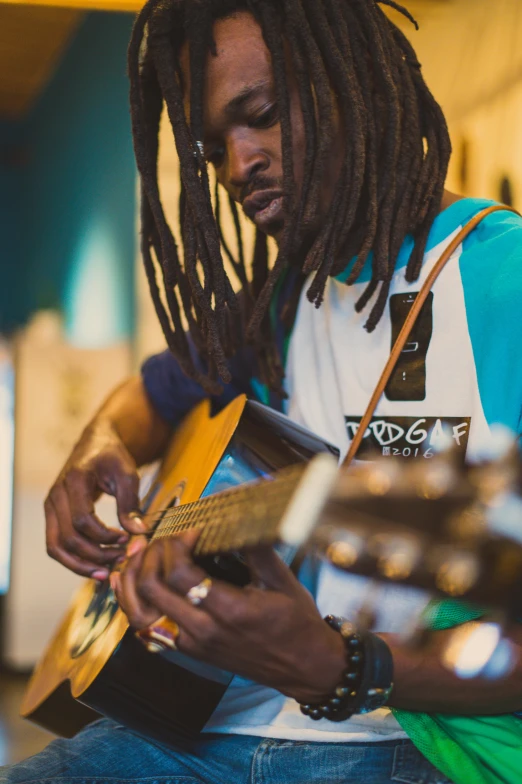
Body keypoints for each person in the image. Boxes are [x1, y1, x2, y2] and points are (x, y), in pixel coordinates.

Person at [3, 1, 522, 783]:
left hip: (425, 745)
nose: (239, 165)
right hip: (218, 726)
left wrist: (348, 669)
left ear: (359, 87)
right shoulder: (281, 302)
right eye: (213, 148)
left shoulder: (501, 285)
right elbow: (151, 397)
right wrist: (99, 447)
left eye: (265, 115)